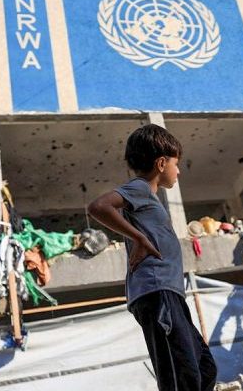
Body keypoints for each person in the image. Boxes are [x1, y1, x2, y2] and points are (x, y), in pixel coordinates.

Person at [88, 125, 217, 390]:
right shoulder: (140, 188)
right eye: (176, 164)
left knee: (204, 369)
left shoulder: (148, 197)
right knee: (182, 377)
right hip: (158, 292)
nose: (178, 171)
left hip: (169, 294)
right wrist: (139, 238)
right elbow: (98, 207)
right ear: (161, 163)